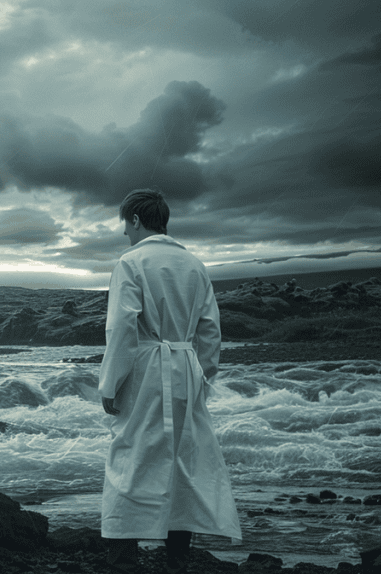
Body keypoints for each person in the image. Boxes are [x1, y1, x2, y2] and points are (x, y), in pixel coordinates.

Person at [98, 189, 241, 573]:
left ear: (135, 220)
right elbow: (210, 331)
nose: (124, 234)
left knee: (130, 455)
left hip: (146, 368)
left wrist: (110, 384)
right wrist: (202, 375)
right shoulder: (194, 265)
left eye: (125, 225)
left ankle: (123, 557)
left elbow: (123, 328)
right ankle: (178, 554)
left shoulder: (131, 262)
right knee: (183, 456)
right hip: (185, 366)